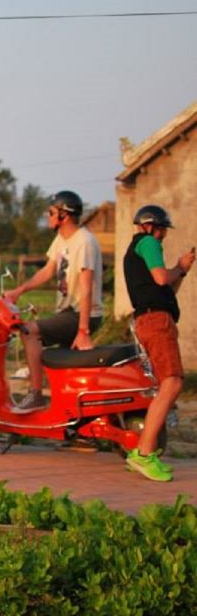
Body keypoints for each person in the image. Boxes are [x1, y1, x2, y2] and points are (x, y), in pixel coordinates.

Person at [3, 190, 104, 413]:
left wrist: (83, 330)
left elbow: (87, 288)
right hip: (68, 313)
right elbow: (48, 270)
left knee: (29, 331)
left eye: (51, 212)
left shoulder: (84, 241)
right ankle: (72, 420)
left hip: (83, 314)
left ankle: (36, 394)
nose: (47, 216)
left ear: (64, 215)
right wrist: (19, 290)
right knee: (64, 372)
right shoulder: (61, 240)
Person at [122, 205, 194, 482]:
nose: (163, 236)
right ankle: (143, 453)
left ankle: (143, 452)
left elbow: (165, 287)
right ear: (150, 226)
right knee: (173, 382)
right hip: (156, 322)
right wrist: (177, 267)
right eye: (162, 229)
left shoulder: (137, 251)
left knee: (168, 382)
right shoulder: (148, 242)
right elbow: (163, 277)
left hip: (151, 319)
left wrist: (182, 270)